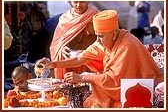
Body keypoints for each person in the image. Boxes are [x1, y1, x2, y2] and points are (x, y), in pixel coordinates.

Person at [35, 10, 163, 108]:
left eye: (101, 36)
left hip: (137, 91)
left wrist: (83, 77)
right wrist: (53, 64)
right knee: (89, 102)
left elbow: (115, 80)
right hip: (117, 89)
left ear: (113, 34)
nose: (97, 40)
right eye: (96, 36)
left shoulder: (127, 45)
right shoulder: (104, 41)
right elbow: (80, 59)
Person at [49, 1, 98, 79]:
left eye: (82, 2)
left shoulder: (95, 17)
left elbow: (103, 43)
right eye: (75, 2)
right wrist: (61, 49)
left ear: (88, 0)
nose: (78, 5)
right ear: (70, 1)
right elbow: (55, 44)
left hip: (88, 65)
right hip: (68, 63)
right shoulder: (65, 19)